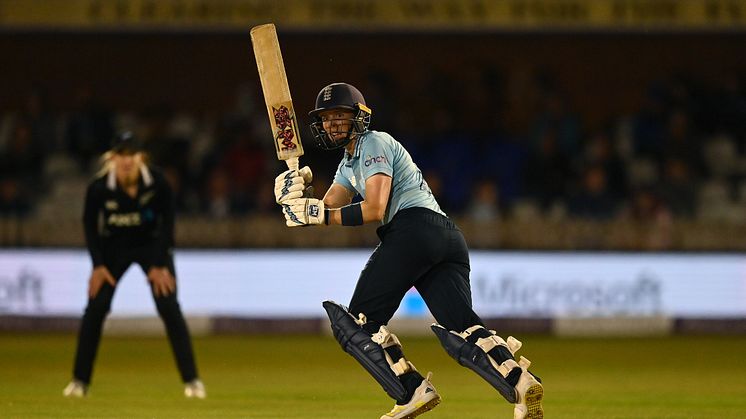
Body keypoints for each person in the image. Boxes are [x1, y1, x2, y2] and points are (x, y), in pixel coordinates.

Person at [274, 83, 544, 419]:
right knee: (464, 330)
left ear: (359, 117)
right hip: (445, 238)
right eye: (327, 118)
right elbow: (327, 210)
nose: (333, 124)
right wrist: (295, 198)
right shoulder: (347, 165)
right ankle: (520, 383)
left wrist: (316, 213)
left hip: (413, 231)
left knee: (358, 325)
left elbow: (373, 208)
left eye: (340, 116)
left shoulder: (375, 142)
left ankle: (411, 390)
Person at [63, 132, 205, 399]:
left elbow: (168, 225)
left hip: (152, 247)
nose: (126, 161)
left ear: (141, 158)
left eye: (131, 155)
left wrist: (160, 264)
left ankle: (193, 381)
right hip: (112, 250)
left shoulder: (158, 183)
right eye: (121, 155)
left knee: (168, 305)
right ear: (112, 158)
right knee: (95, 308)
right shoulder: (99, 187)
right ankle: (79, 382)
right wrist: (97, 266)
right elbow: (90, 227)